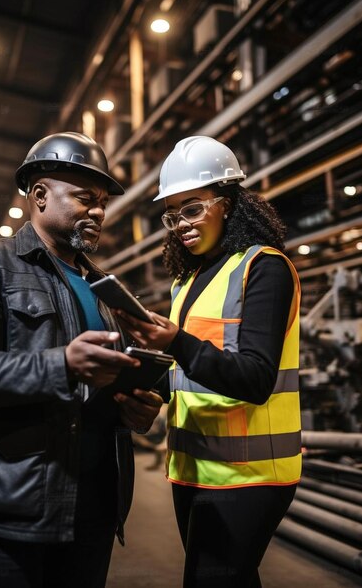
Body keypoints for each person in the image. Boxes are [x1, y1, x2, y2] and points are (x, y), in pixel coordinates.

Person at [0, 131, 163, 588]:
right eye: (86, 198)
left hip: (95, 506)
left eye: (103, 201)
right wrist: (61, 365)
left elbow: (102, 382)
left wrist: (133, 409)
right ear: (40, 195)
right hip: (15, 505)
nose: (99, 211)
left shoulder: (105, 288)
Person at [116, 135, 301, 588]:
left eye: (193, 207)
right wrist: (148, 393)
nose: (180, 223)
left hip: (250, 476)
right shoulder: (188, 280)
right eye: (172, 213)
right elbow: (189, 369)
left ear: (230, 203)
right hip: (192, 468)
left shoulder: (265, 268)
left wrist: (176, 342)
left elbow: (255, 378)